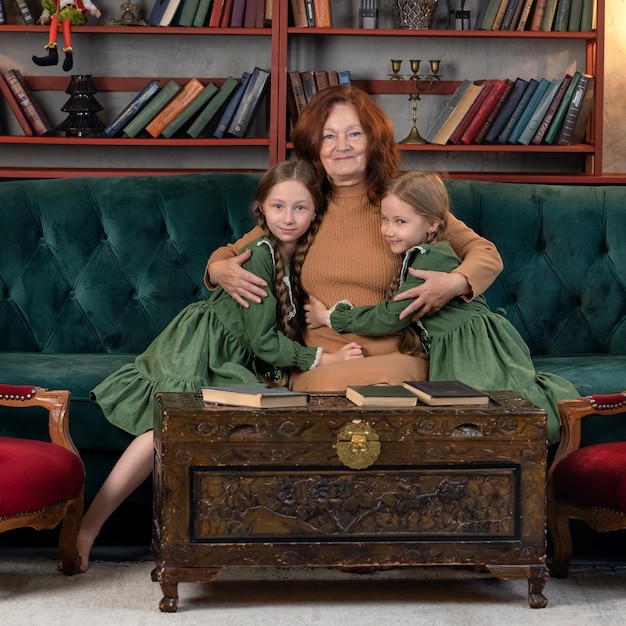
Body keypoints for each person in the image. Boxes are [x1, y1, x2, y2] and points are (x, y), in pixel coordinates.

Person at [77, 160, 364, 572]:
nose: (289, 217)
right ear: (261, 208)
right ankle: (89, 528)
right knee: (160, 433)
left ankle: (218, 535)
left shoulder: (298, 255)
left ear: (315, 211)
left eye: (300, 208)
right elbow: (263, 341)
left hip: (233, 353)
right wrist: (322, 357)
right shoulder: (259, 257)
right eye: (278, 206)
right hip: (202, 348)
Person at [205, 85, 504, 391]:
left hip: (396, 358)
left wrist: (454, 283)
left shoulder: (402, 202)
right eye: (329, 136)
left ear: (373, 142)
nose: (341, 146)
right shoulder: (303, 205)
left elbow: (485, 253)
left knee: (399, 380)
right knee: (335, 391)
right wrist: (219, 271)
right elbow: (228, 255)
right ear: (315, 147)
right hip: (325, 361)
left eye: (354, 134)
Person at [304, 170, 580, 444]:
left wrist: (330, 316)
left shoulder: (430, 259)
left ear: (433, 224)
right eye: (385, 220)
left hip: (471, 345)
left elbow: (392, 316)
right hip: (450, 346)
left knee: (492, 411)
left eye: (400, 222)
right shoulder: (419, 252)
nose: (388, 230)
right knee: (468, 415)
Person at [32, 0, 102, 72]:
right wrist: (44, 16)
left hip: (73, 12)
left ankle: (68, 56)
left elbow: (87, 3)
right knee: (55, 19)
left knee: (66, 23)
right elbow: (48, 8)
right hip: (61, 12)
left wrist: (94, 10)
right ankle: (52, 54)